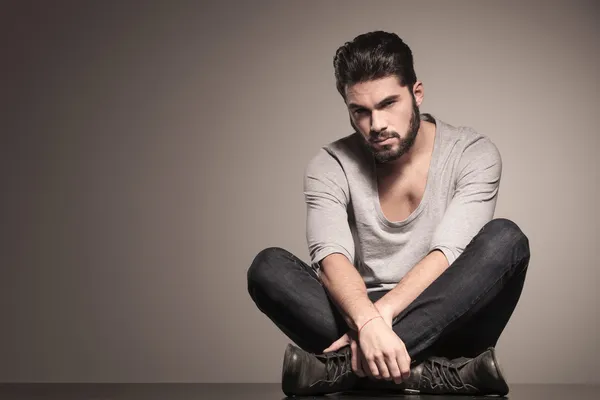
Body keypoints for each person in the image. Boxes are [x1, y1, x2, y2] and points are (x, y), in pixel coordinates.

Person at [247, 31, 530, 397]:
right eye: (360, 111)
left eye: (388, 104)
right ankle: (430, 375)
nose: (376, 124)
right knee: (267, 268)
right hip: (359, 319)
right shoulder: (330, 164)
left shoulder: (472, 153)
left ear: (417, 93)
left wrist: (381, 320)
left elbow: (448, 254)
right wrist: (366, 320)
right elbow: (331, 258)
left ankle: (346, 369)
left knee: (506, 239)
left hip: (453, 321)